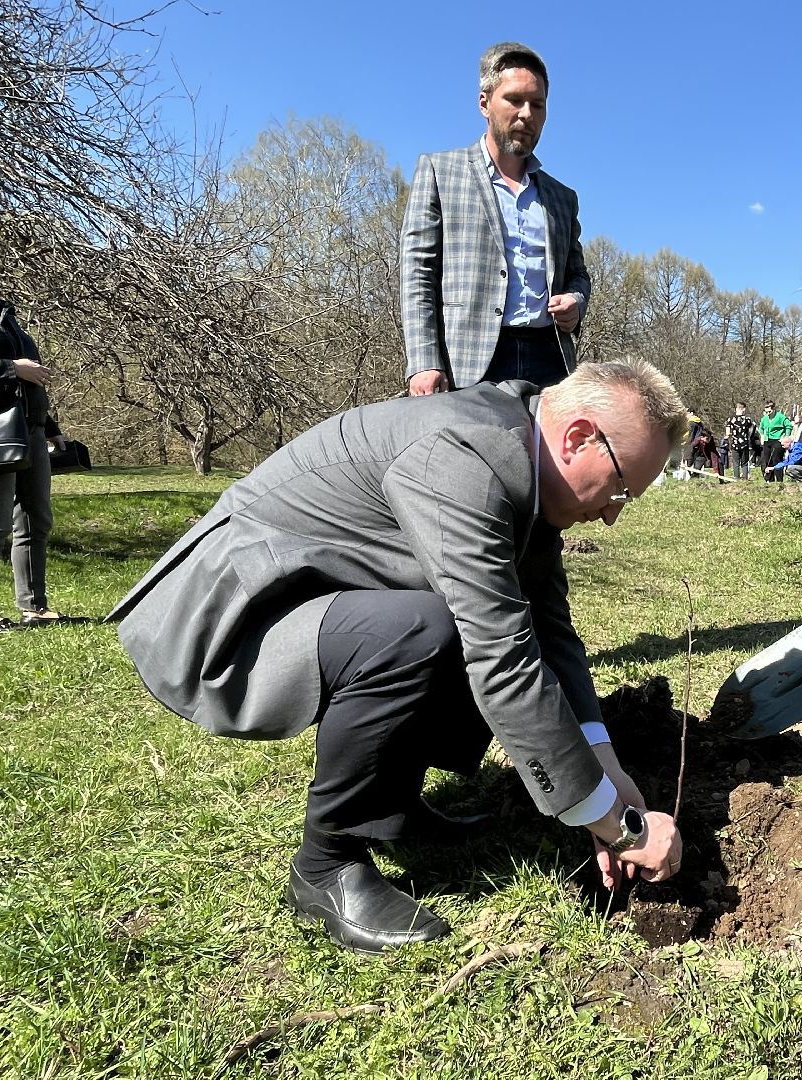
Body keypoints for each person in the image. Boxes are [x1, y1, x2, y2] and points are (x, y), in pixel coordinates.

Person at [109, 359, 688, 953]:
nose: (615, 513)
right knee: (428, 628)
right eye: (620, 489)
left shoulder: (527, 462)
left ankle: (392, 810)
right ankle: (325, 866)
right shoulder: (462, 461)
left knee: (451, 618)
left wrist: (605, 767)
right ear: (577, 438)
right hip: (229, 616)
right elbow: (503, 659)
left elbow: (551, 632)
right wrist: (620, 828)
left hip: (317, 598)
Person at [400, 42, 590, 395]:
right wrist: (424, 361)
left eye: (537, 104)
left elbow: (577, 275)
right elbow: (417, 274)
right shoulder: (440, 172)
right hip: (466, 363)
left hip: (550, 363)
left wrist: (576, 303)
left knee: (544, 453)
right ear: (484, 103)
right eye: (515, 100)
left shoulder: (563, 199)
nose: (526, 114)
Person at [0, 225, 85, 634]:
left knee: (36, 520)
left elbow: (32, 379)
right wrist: (10, 367)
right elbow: (15, 370)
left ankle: (35, 607)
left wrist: (51, 427)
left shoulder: (2, 312)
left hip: (30, 428)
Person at [758, 401, 792, 482]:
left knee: (776, 459)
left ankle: (779, 479)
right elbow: (761, 428)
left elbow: (788, 426)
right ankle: (769, 480)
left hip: (777, 440)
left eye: (769, 412)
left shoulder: (781, 417)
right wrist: (762, 435)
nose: (768, 414)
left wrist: (786, 436)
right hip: (767, 440)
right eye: (766, 412)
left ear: (774, 409)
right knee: (766, 460)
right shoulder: (764, 418)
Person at [724, 402, 758, 480]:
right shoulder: (747, 419)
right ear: (744, 409)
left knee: (736, 463)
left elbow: (727, 432)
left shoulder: (730, 419)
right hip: (744, 443)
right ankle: (745, 478)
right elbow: (752, 430)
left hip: (734, 444)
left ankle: (736, 478)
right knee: (744, 463)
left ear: (736, 409)